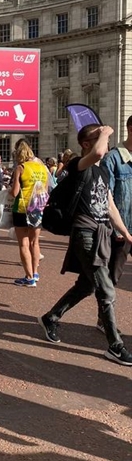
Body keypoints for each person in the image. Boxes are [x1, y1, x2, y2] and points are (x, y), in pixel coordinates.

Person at [38, 125, 132, 366]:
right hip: (85, 233)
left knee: (86, 286)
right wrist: (106, 132)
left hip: (101, 233)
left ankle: (51, 317)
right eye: (98, 138)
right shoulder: (79, 164)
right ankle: (115, 345)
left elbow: (109, 205)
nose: (106, 142)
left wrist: (126, 233)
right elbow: (100, 153)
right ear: (86, 144)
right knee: (106, 289)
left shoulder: (102, 173)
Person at [99, 113, 132, 330]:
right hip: (121, 228)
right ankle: (104, 320)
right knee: (112, 277)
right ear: (131, 129)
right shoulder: (113, 158)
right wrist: (118, 227)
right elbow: (106, 196)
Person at [10, 140, 48, 286]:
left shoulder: (21, 168)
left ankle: (29, 276)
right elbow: (44, 190)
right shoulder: (42, 168)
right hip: (38, 208)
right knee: (35, 242)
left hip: (22, 208)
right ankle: (36, 272)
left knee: (23, 243)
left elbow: (14, 192)